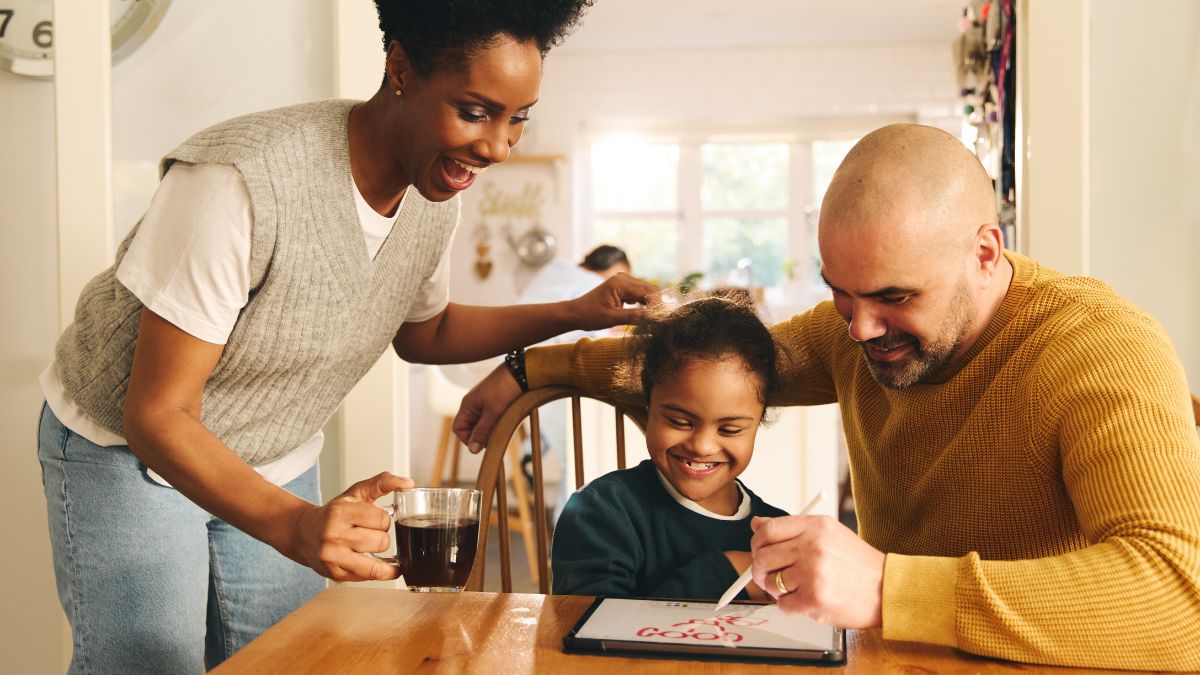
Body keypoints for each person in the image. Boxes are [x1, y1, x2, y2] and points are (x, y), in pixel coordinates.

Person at [36, 1, 661, 672]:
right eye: (476, 111)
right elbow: (156, 413)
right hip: (128, 452)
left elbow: (427, 331)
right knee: (150, 662)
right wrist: (298, 525)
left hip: (272, 452)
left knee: (288, 660)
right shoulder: (239, 183)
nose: (497, 147)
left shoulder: (432, 192)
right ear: (400, 68)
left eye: (517, 119)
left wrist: (576, 309)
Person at [454, 124, 1200, 670]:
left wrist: (887, 585)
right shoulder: (854, 330)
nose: (863, 328)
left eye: (893, 296)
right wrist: (531, 367)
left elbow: (1180, 597)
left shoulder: (1100, 348)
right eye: (840, 293)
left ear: (984, 253)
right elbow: (705, 366)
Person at [550, 297, 788, 599]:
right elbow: (592, 634)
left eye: (730, 429)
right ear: (649, 405)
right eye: (679, 421)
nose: (702, 446)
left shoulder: (778, 535)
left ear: (759, 421)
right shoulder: (601, 513)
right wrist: (728, 571)